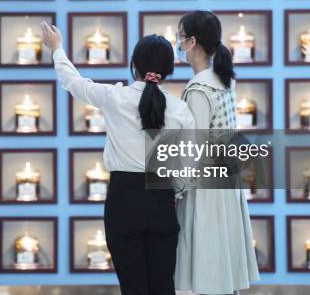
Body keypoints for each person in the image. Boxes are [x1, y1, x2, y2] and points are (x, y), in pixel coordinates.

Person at [40, 21, 195, 295]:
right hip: (162, 201)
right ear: (169, 70)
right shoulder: (180, 109)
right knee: (163, 286)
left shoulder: (115, 97)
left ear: (134, 64)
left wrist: (57, 49)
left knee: (133, 287)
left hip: (124, 201)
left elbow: (73, 82)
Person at [174, 11, 259, 295]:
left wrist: (175, 191)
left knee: (205, 270)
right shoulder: (223, 80)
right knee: (222, 269)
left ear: (192, 42)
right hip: (226, 182)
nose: (178, 43)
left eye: (180, 37)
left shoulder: (199, 89)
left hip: (206, 190)